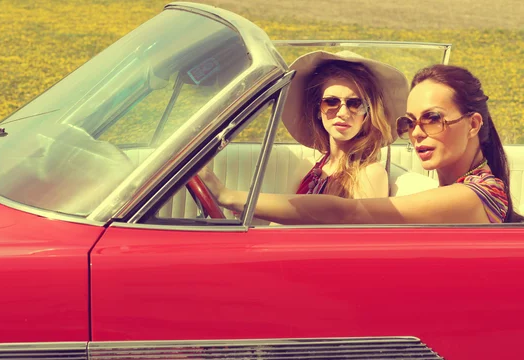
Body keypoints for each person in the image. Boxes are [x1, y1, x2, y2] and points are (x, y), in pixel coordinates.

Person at [200, 64, 520, 224]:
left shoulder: (478, 193)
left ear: (473, 124)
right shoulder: (458, 189)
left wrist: (228, 195)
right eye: (410, 122)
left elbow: (347, 213)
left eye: (433, 118)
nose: (417, 133)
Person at [280, 50, 409, 198]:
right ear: (317, 110)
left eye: (355, 104)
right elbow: (280, 219)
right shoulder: (307, 165)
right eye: (331, 102)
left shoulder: (369, 174)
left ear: (367, 113)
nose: (343, 113)